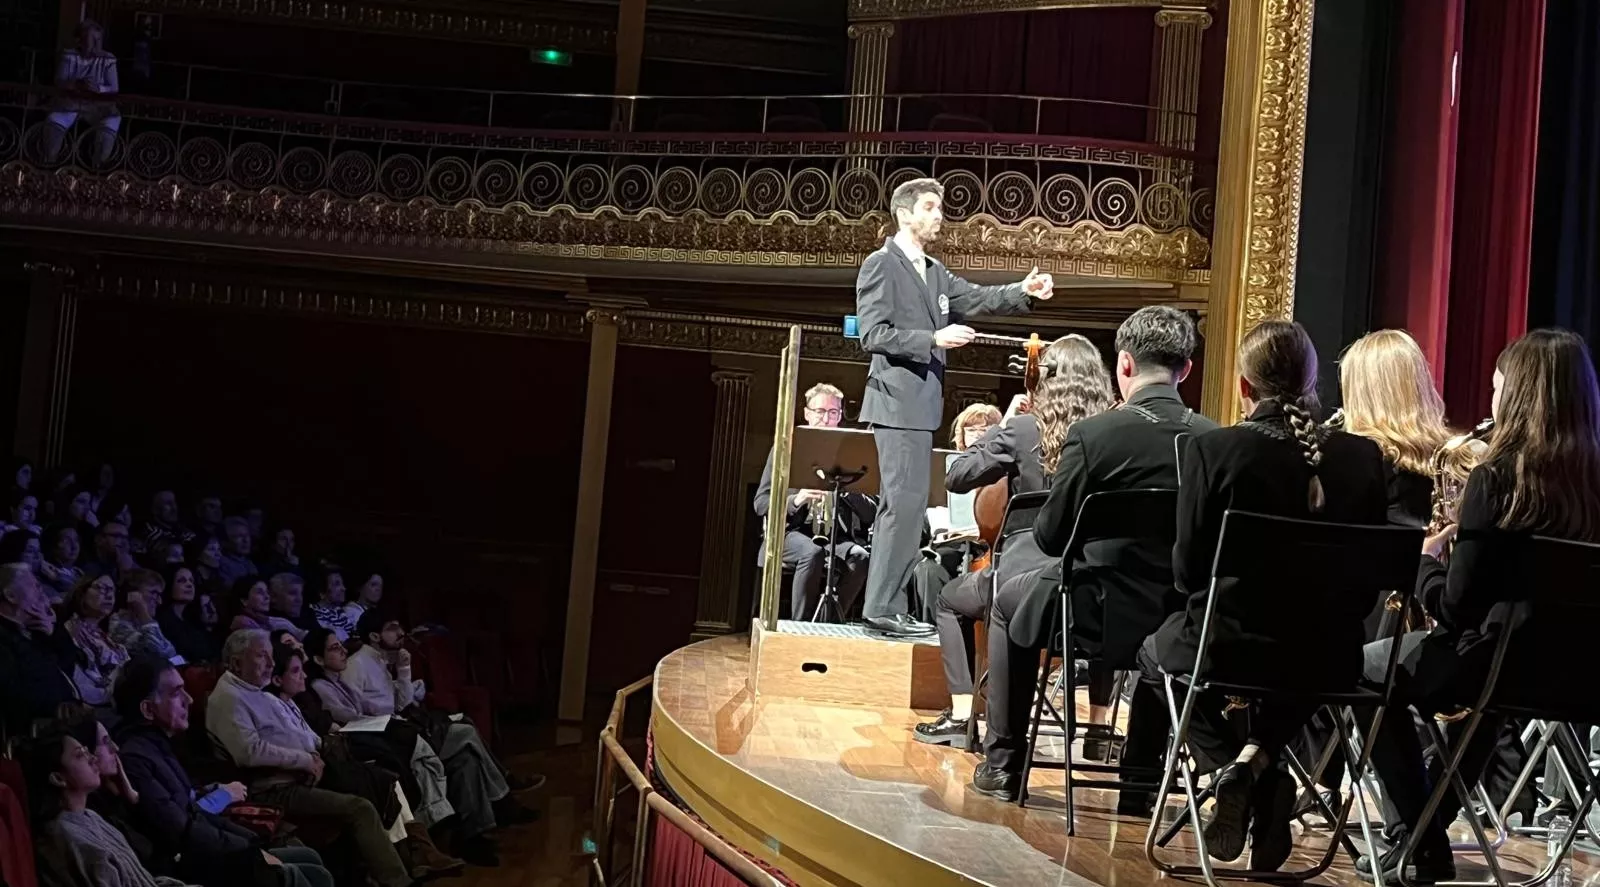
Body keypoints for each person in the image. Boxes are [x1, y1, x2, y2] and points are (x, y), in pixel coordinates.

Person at [1137, 320, 1387, 871]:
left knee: (1154, 658)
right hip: (1331, 656)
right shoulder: (1363, 458)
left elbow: (1186, 572)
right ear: (1314, 381)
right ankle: (1264, 770)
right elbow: (1369, 582)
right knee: (1305, 674)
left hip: (1230, 644)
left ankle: (1236, 768)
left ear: (1245, 388)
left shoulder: (1213, 451)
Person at [1356, 329, 1600, 884]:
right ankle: (1423, 839)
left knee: (1368, 670)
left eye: (1496, 388)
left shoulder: (1497, 479)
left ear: (1514, 397)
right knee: (1490, 696)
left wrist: (1424, 561)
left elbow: (1456, 608)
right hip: (1583, 678)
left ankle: (1415, 834)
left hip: (1499, 667)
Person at [969, 306, 1215, 801]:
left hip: (1090, 613)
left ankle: (1004, 764)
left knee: (1003, 600)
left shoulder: (1095, 435)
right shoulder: (1215, 441)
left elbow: (1053, 537)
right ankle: (1141, 780)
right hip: (1182, 618)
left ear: (1124, 365)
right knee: (1158, 635)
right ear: (1185, 369)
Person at [855, 177, 1053, 637]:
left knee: (908, 505)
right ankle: (881, 608)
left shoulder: (934, 271)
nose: (938, 215)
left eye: (939, 207)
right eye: (929, 207)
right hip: (896, 404)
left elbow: (978, 297)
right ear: (904, 213)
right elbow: (873, 334)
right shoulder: (881, 264)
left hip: (919, 408)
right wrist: (933, 338)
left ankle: (889, 606)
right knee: (900, 506)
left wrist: (1023, 289)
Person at [915, 335, 1110, 748]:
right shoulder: (1113, 433)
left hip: (1025, 583)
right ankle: (1099, 727)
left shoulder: (1023, 431)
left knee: (950, 599)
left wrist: (1004, 427)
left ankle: (964, 715)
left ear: (1045, 380)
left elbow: (958, 475)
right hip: (1099, 587)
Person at [205, 628, 414, 887]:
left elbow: (292, 734)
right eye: (261, 656)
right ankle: (398, 881)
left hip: (298, 777)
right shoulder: (228, 698)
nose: (271, 664)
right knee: (360, 807)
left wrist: (313, 754)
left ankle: (399, 864)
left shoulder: (253, 691)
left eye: (271, 656)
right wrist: (305, 760)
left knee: (373, 780)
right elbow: (249, 751)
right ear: (237, 663)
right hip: (272, 789)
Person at [112, 656, 335, 886]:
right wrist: (249, 852)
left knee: (310, 861)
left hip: (214, 851)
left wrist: (250, 844)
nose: (189, 700)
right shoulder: (136, 759)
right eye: (176, 693)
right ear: (148, 709)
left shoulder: (158, 744)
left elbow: (192, 809)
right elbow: (184, 832)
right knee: (297, 875)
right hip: (196, 866)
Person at [752, 382, 874, 621]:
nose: (826, 418)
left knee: (860, 556)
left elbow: (871, 513)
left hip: (833, 537)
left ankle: (829, 624)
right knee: (812, 552)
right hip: (792, 534)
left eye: (833, 413)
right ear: (807, 414)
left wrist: (848, 489)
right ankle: (800, 626)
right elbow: (761, 503)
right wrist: (797, 499)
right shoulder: (786, 450)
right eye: (820, 412)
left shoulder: (853, 456)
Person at [25, 723, 190, 887]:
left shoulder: (90, 816)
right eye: (80, 755)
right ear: (58, 778)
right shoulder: (68, 838)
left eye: (87, 751)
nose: (93, 758)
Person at [0, 561, 79, 736]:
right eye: (35, 586)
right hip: (36, 732)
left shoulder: (37, 630)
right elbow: (14, 697)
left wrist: (54, 634)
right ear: (11, 596)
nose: (42, 592)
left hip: (64, 720)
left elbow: (68, 668)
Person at [44, 20, 120, 165]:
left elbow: (114, 87)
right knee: (54, 121)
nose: (96, 44)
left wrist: (99, 89)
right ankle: (49, 163)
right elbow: (60, 81)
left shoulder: (108, 59)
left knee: (111, 123)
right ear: (80, 41)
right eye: (92, 39)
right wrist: (76, 84)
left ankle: (98, 166)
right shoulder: (70, 56)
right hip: (70, 105)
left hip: (98, 108)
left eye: (98, 40)